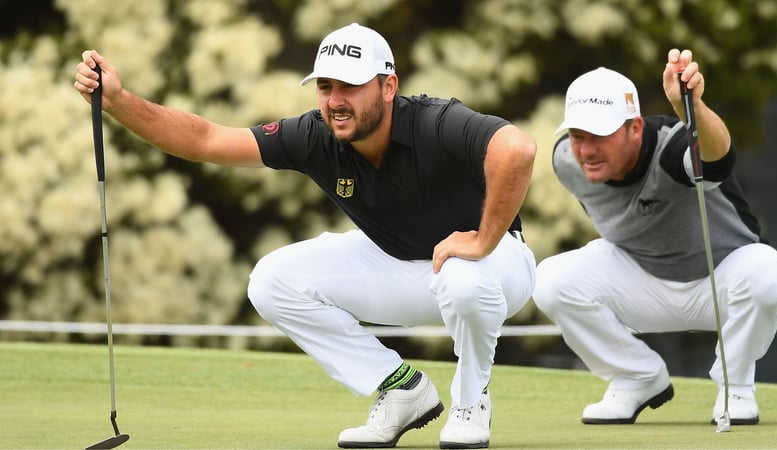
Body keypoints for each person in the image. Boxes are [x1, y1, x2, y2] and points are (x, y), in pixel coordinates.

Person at [74, 23, 537, 448]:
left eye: (351, 86)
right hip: (402, 267)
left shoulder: (435, 122)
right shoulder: (316, 135)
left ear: (388, 85)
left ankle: (471, 399)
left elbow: (516, 148)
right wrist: (118, 101)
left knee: (462, 276)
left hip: (496, 270)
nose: (335, 100)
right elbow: (207, 140)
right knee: (272, 279)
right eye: (326, 86)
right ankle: (402, 391)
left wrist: (481, 240)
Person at [533, 48, 777, 426]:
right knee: (550, 280)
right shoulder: (566, 162)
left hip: (723, 284)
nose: (586, 151)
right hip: (643, 284)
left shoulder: (672, 148)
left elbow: (718, 159)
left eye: (600, 136)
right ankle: (636, 378)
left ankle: (735, 384)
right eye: (577, 136)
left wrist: (691, 109)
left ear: (634, 128)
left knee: (770, 274)